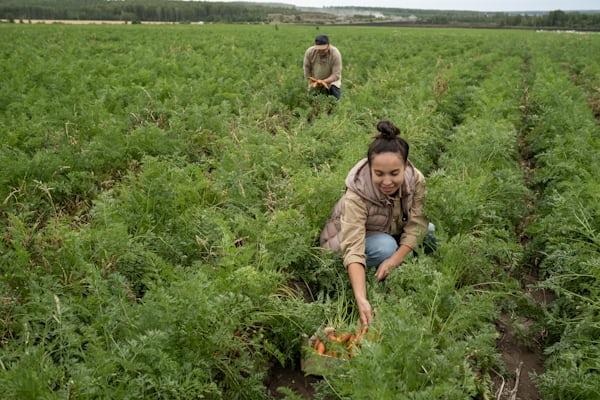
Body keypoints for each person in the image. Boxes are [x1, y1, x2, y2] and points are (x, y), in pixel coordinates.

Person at [320, 120, 434, 326]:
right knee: (385, 247)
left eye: (394, 173)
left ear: (405, 166)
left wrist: (395, 261)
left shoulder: (416, 180)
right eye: (379, 174)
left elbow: (417, 223)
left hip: (385, 230)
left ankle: (394, 266)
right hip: (343, 243)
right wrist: (361, 299)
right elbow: (353, 247)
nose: (387, 181)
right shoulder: (357, 193)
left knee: (430, 232)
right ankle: (363, 279)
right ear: (370, 168)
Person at [303, 35, 342, 100]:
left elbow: (336, 75)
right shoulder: (310, 52)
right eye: (319, 50)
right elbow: (307, 68)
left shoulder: (335, 53)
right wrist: (311, 80)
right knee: (312, 101)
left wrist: (324, 81)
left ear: (328, 46)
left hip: (332, 82)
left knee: (334, 101)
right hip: (315, 81)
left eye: (323, 50)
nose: (321, 52)